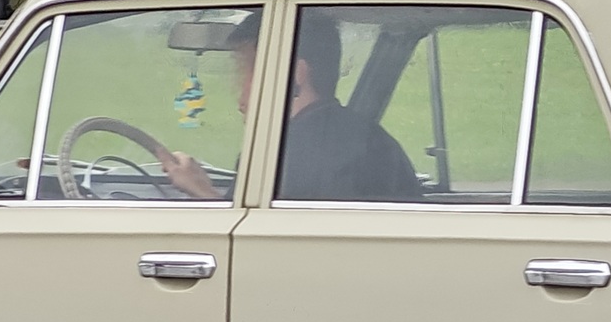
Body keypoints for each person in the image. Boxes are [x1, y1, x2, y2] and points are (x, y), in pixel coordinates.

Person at [156, 12, 421, 203]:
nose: (239, 94)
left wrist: (202, 191)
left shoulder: (289, 155)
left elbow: (261, 244)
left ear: (294, 74)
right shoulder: (364, 138)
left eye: (244, 71)